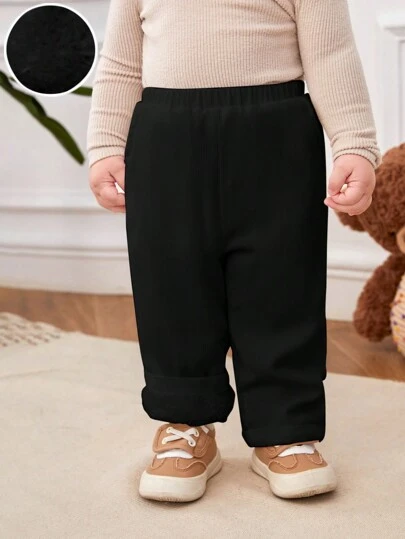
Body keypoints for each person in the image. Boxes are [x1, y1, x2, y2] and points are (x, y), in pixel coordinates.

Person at [87, 0, 381, 502]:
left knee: (281, 284)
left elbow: (331, 53)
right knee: (173, 286)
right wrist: (106, 146)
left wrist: (354, 143)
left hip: (277, 134)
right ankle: (186, 424)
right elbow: (121, 62)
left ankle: (284, 429)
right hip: (165, 137)